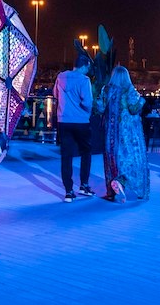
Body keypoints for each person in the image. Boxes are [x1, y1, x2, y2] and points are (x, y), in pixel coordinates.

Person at [94, 65, 149, 202]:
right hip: (127, 133)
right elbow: (133, 109)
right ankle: (121, 181)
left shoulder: (106, 90)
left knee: (112, 158)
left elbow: (100, 108)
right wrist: (142, 100)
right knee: (130, 158)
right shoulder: (129, 90)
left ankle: (113, 191)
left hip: (110, 134)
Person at [54, 54, 94, 202]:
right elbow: (87, 102)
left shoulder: (60, 77)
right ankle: (84, 184)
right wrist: (86, 111)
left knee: (66, 155)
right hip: (81, 121)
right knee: (86, 152)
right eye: (88, 68)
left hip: (63, 121)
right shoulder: (84, 80)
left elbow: (55, 95)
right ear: (84, 66)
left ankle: (69, 191)